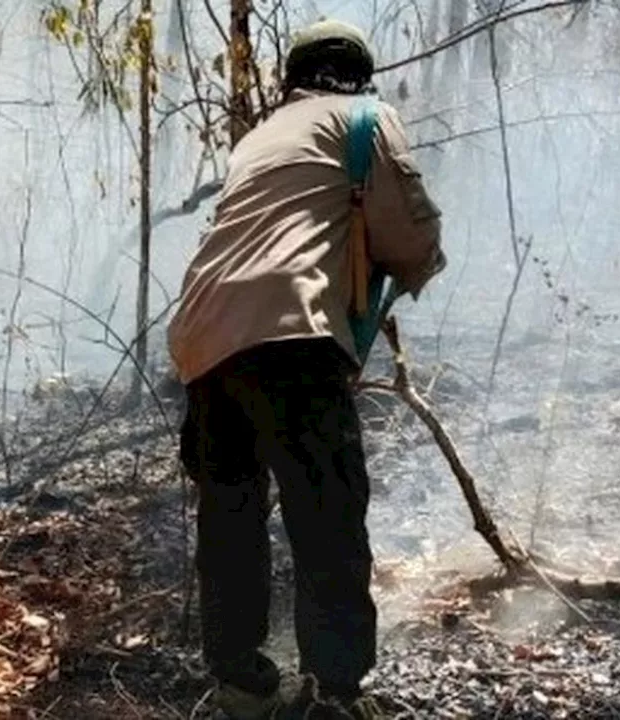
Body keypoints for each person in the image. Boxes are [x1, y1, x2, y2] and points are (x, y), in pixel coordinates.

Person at [168, 20, 446, 720]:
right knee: (327, 515)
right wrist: (412, 266)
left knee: (230, 515)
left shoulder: (257, 140)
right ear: (358, 73)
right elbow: (409, 231)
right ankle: (337, 693)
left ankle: (240, 682)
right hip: (291, 333)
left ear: (293, 77)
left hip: (203, 338)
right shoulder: (366, 118)